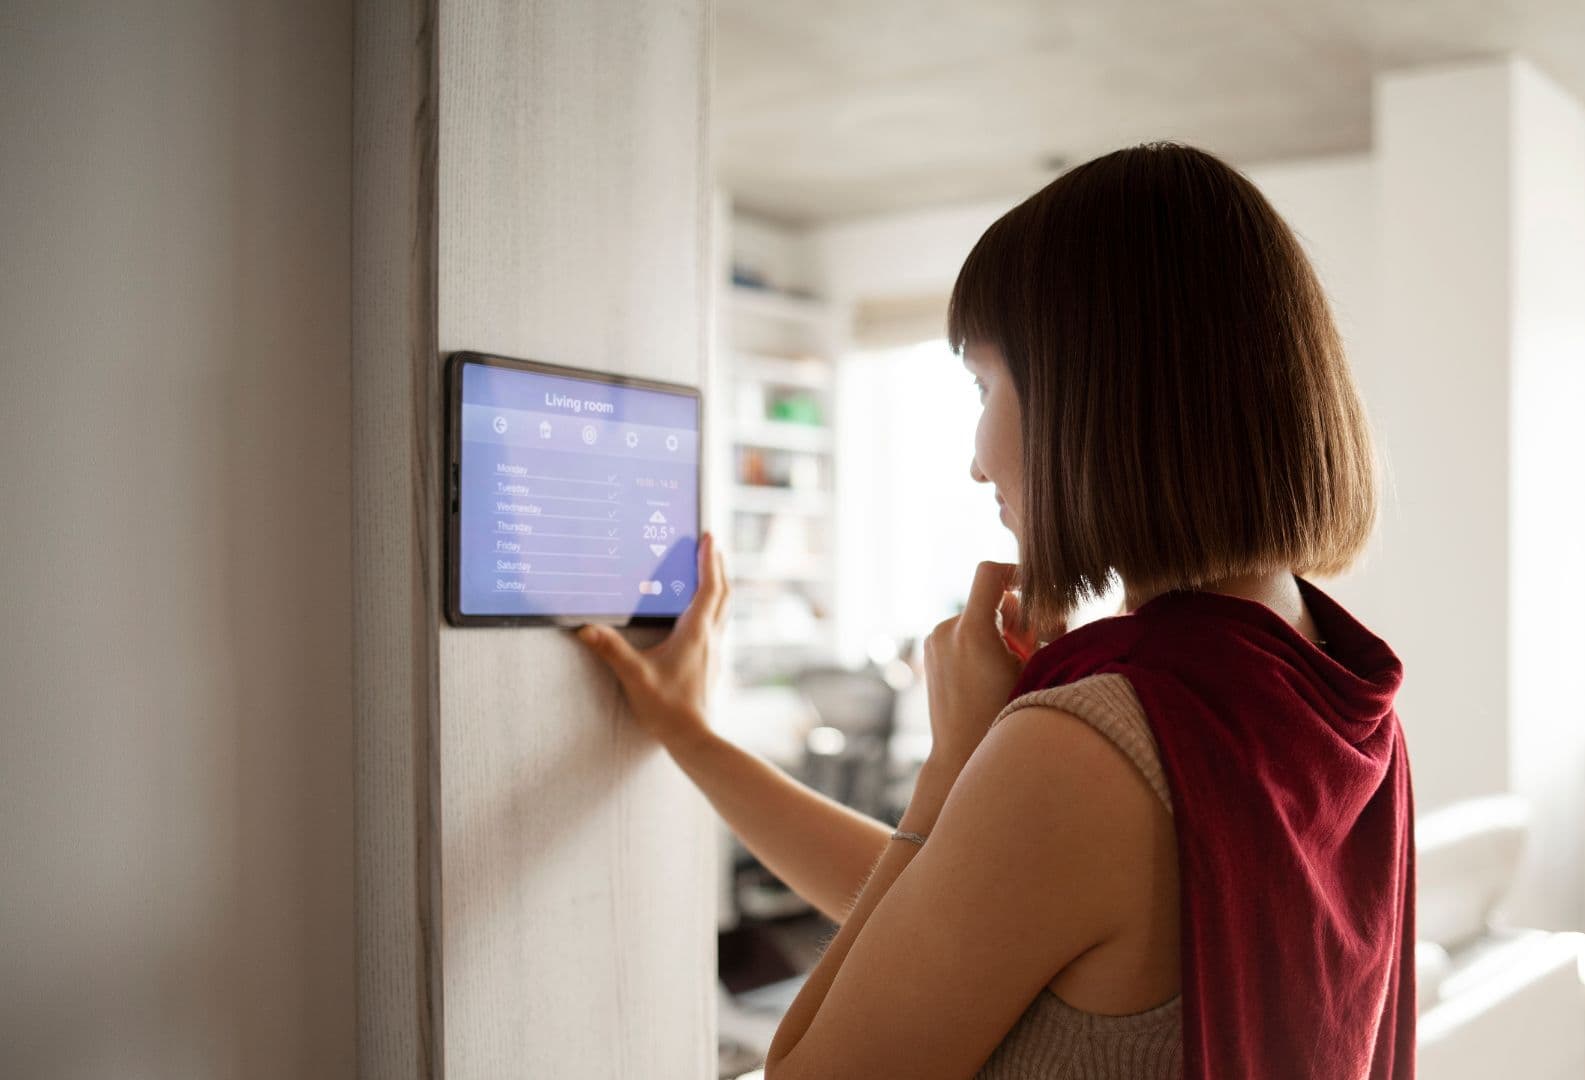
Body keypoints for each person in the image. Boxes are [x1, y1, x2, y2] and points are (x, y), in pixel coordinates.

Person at [578, 141, 1414, 1080]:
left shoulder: (1090, 744)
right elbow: (960, 908)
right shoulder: (1321, 679)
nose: (977, 457)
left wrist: (953, 765)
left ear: (1095, 397)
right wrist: (689, 735)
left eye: (984, 386)